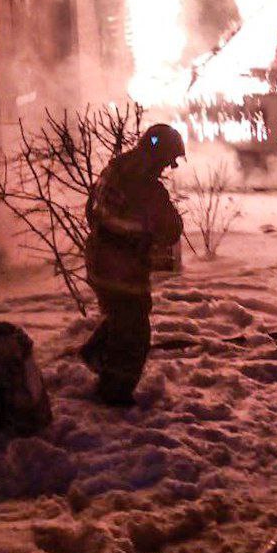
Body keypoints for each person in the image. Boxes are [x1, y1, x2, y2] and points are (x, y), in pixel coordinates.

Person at [80, 123, 185, 405]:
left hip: (98, 259)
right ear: (159, 155)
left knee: (121, 316)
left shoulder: (114, 169)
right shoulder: (146, 188)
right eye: (169, 160)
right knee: (135, 332)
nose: (169, 167)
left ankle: (95, 353)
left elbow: (91, 210)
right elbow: (171, 229)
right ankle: (114, 393)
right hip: (122, 268)